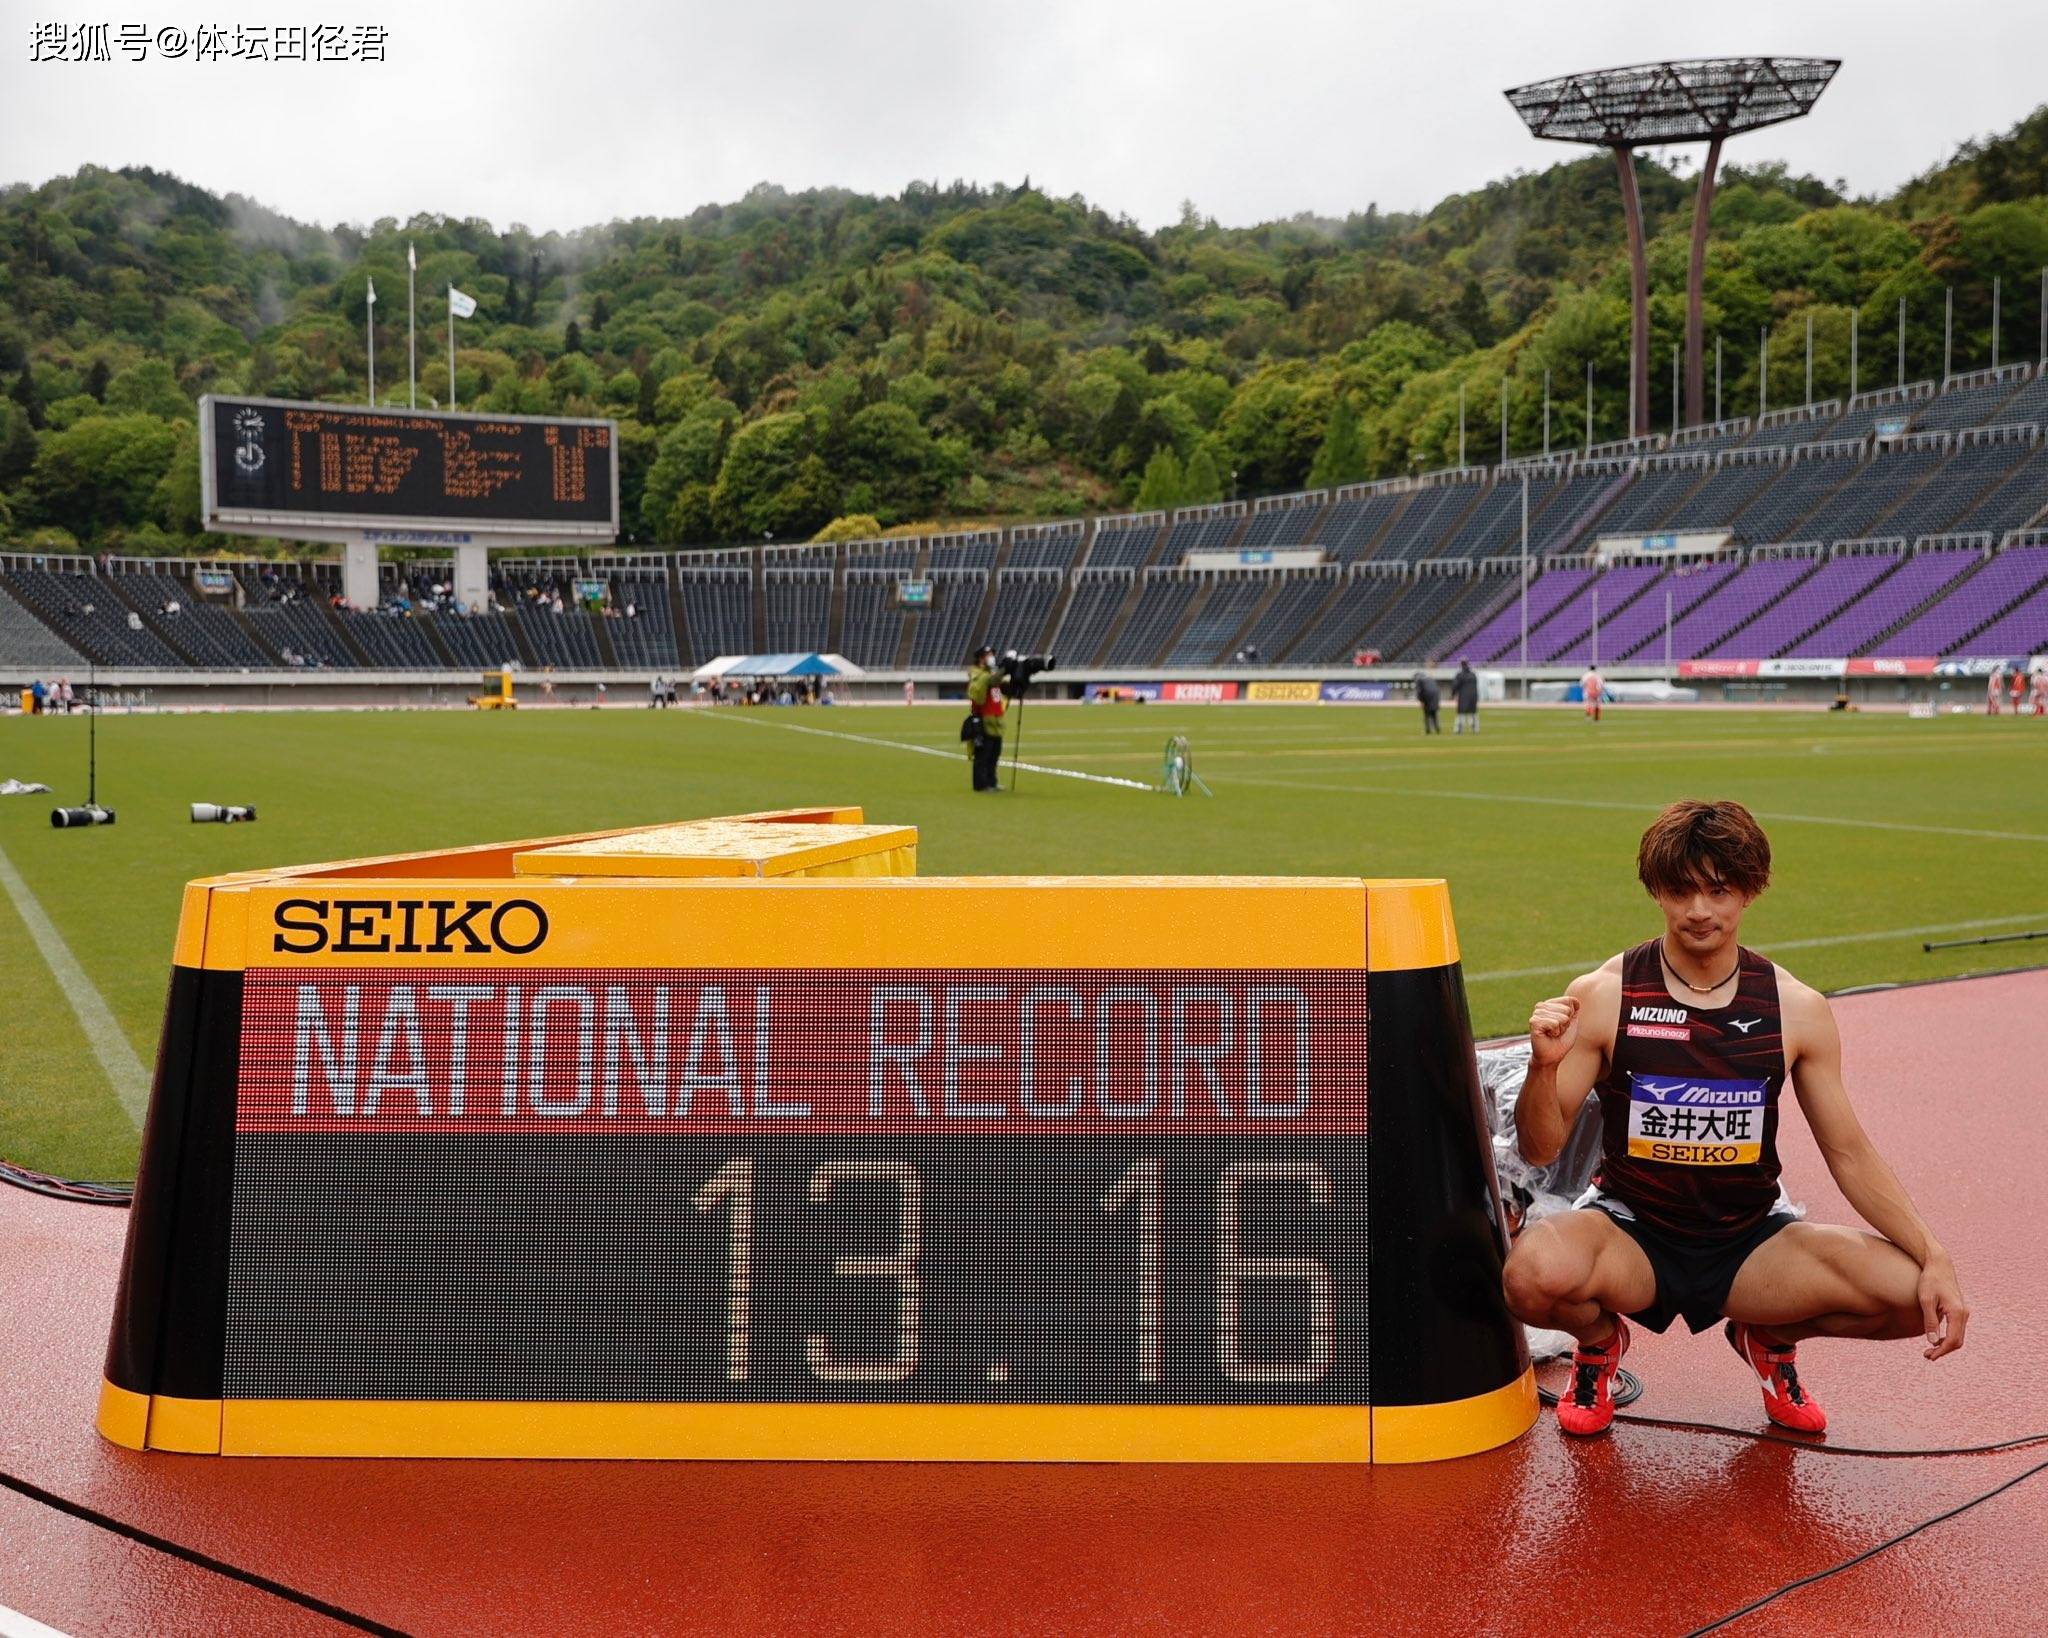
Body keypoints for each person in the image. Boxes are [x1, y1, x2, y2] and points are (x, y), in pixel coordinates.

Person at [1501, 800, 1969, 1438]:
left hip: (1750, 1244)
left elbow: (1849, 1152)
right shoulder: (1606, 994)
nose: (1699, 910)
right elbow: (1539, 1148)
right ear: (1656, 892)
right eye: (1681, 891)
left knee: (1915, 1291)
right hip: (1634, 1235)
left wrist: (1933, 1252)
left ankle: (1769, 1339)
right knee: (1530, 1275)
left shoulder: (1796, 1009)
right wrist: (1543, 1068)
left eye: (1718, 891)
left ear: (1749, 891)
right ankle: (1600, 1344)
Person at [966, 644, 1007, 791]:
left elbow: (1001, 686)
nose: (991, 657)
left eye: (992, 654)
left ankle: (992, 781)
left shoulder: (992, 673)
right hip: (983, 718)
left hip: (996, 719)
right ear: (980, 658)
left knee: (995, 753)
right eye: (987, 655)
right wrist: (1004, 668)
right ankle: (981, 784)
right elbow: (987, 683)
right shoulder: (977, 673)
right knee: (983, 753)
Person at [1453, 659, 1480, 735]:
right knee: (1473, 713)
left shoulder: (1459, 675)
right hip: (1473, 697)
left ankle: (1459, 730)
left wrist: (1453, 694)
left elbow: (1455, 686)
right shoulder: (1473, 674)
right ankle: (1475, 729)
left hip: (1463, 697)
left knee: (1461, 713)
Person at [1413, 669, 1441, 735]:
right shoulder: (1431, 679)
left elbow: (1419, 692)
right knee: (1434, 714)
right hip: (1435, 697)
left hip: (1428, 698)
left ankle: (1428, 730)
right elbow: (1436, 689)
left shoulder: (1420, 681)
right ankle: (1437, 729)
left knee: (1427, 715)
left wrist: (1421, 701)